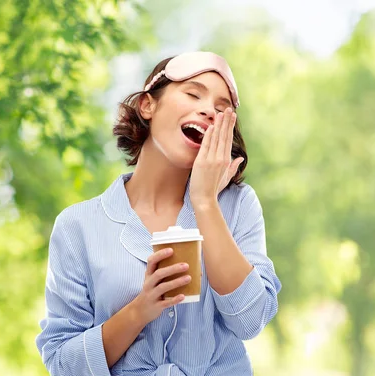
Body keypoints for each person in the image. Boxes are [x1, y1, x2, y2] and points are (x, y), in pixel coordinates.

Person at [36, 51, 282, 376]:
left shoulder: (237, 205)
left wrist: (205, 202)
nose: (209, 109)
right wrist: (140, 310)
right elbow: (63, 365)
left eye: (222, 109)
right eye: (193, 93)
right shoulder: (77, 226)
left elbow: (250, 321)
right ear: (148, 106)